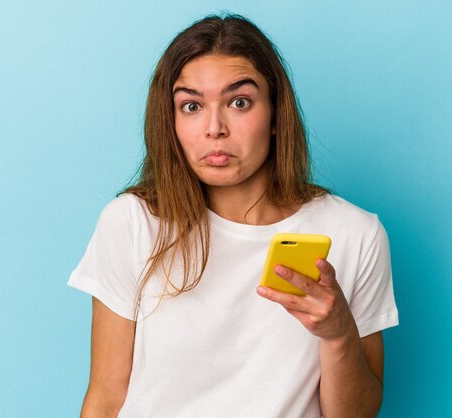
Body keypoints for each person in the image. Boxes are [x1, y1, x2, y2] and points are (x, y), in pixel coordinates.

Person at [68, 13, 398, 418]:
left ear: (276, 115)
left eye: (239, 102)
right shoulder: (133, 223)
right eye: (191, 106)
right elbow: (104, 399)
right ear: (170, 123)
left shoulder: (354, 234)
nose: (214, 128)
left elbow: (357, 415)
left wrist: (338, 332)